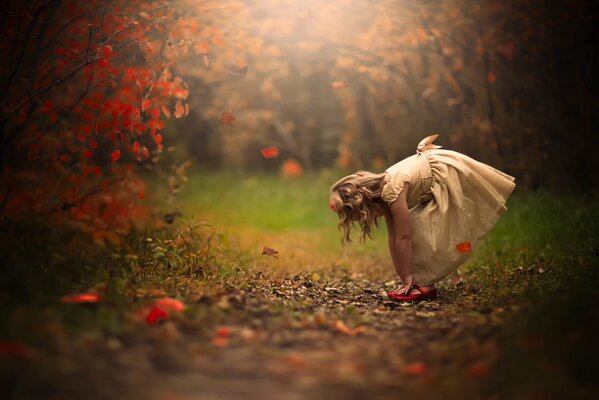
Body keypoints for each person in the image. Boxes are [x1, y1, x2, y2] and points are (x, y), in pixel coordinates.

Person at [329, 134, 515, 302]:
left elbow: (404, 238)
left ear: (364, 205)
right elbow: (393, 238)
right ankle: (418, 283)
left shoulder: (392, 191)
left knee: (418, 228)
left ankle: (425, 285)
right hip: (431, 177)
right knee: (412, 227)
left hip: (444, 174)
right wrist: (404, 278)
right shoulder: (383, 194)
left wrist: (409, 276)